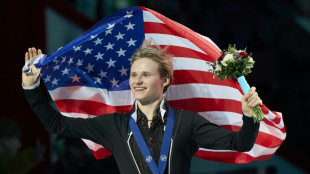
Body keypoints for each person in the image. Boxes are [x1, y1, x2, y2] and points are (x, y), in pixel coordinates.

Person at [22, 40, 261, 174]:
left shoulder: (187, 122)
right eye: (134, 74)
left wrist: (250, 116)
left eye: (145, 75)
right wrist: (32, 89)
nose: (136, 81)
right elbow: (56, 124)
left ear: (165, 80)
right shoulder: (114, 125)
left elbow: (240, 143)